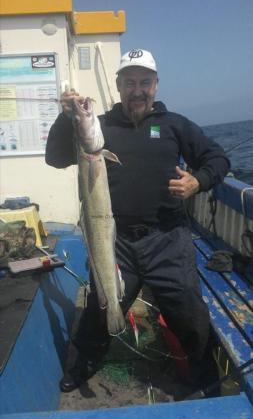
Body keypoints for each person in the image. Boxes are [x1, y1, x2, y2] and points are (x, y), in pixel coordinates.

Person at [46, 49, 230, 394]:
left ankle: (205, 376)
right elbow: (55, 158)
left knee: (188, 309)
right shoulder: (98, 127)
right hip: (116, 242)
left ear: (156, 86)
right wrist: (65, 116)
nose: (137, 89)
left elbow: (217, 158)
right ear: (118, 86)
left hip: (168, 238)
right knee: (101, 308)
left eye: (145, 82)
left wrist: (198, 181)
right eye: (130, 82)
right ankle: (83, 365)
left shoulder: (175, 124)